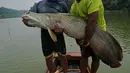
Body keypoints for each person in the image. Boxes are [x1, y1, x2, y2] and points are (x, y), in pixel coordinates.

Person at [22, 0, 69, 73]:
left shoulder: (62, 4)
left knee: (63, 58)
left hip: (59, 37)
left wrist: (61, 30)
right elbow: (34, 22)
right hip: (45, 37)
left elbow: (68, 22)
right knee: (48, 59)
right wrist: (27, 23)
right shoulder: (40, 4)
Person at [70, 0, 106, 73]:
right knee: (84, 55)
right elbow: (74, 24)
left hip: (99, 33)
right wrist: (77, 39)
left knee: (95, 57)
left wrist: (86, 40)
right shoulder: (74, 6)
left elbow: (93, 21)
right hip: (83, 33)